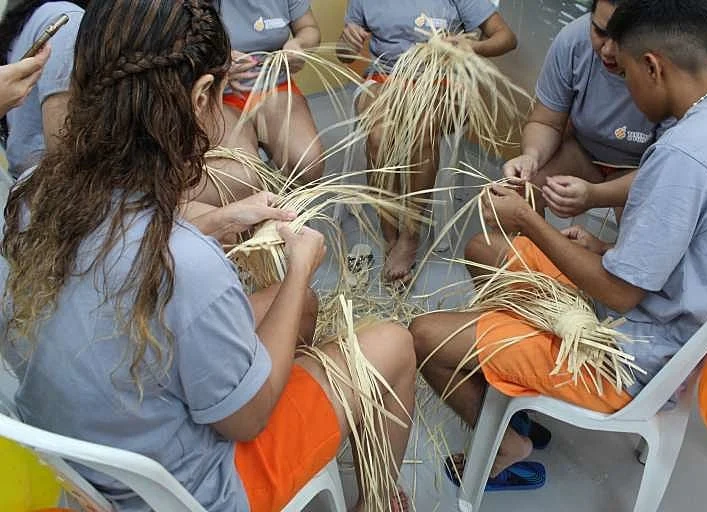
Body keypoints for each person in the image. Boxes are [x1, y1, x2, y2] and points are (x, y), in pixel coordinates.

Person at [0, 2, 416, 512]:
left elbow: (122, 250)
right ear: (200, 97)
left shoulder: (31, 196)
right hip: (196, 491)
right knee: (393, 344)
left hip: (93, 474)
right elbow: (246, 420)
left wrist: (222, 219)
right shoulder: (189, 265)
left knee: (300, 306)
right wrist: (300, 264)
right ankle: (378, 501)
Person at [411, 0, 707, 489]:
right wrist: (603, 249)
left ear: (652, 66)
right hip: (669, 319)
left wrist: (530, 222)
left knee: (425, 335)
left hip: (633, 355)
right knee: (484, 248)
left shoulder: (683, 155)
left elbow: (621, 294)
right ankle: (515, 375)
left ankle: (509, 442)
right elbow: (693, 255)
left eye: (625, 73)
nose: (626, 90)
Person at [466, 0, 670, 276]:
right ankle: (534, 282)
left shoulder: (673, 66)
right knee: (517, 192)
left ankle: (583, 295)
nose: (607, 50)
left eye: (622, 37)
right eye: (599, 31)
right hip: (585, 151)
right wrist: (531, 156)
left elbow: (664, 172)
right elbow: (546, 121)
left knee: (634, 252)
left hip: (642, 169)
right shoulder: (573, 41)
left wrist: (594, 196)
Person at [337, 0, 518, 282]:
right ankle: (389, 233)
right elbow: (344, 55)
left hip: (441, 81)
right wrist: (347, 42)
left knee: (421, 130)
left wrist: (472, 47)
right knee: (379, 137)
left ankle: (410, 234)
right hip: (386, 79)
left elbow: (506, 38)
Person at [216, 1, 323, 188]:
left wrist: (299, 44)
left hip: (274, 86)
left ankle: (288, 212)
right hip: (220, 94)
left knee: (308, 164)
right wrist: (216, 62)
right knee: (239, 179)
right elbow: (177, 48)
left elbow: (309, 28)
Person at [0, 0, 87, 178]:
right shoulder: (70, 20)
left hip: (27, 187)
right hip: (43, 191)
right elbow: (61, 145)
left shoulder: (44, 13)